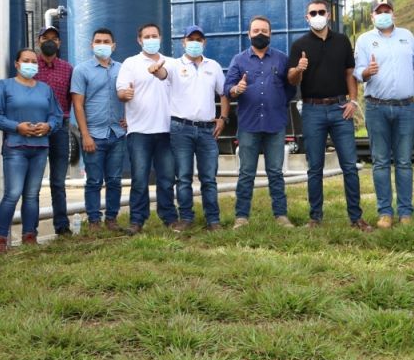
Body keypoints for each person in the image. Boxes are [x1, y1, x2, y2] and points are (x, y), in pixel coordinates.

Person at [288, 0, 370, 230]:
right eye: (312, 13)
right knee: (315, 167)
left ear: (329, 14)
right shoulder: (299, 45)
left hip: (339, 108)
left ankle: (356, 218)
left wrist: (353, 100)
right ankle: (315, 218)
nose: (317, 16)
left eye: (320, 12)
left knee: (349, 165)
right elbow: (291, 79)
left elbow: (350, 73)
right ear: (307, 18)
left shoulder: (342, 41)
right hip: (312, 110)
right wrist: (299, 68)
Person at [0, 48, 63, 252]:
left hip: (40, 148)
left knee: (32, 195)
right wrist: (16, 127)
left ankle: (30, 235)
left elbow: (57, 116)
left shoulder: (45, 89)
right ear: (17, 64)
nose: (31, 64)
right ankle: (1, 238)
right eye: (26, 60)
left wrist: (48, 126)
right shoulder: (5, 86)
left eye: (33, 61)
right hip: (16, 148)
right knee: (13, 193)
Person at [154, 25, 229, 231]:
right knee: (184, 177)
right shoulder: (174, 65)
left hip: (207, 130)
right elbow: (162, 74)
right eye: (191, 39)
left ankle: (213, 220)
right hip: (181, 129)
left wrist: (223, 118)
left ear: (203, 42)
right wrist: (155, 69)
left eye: (198, 39)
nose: (195, 43)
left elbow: (223, 94)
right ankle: (186, 218)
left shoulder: (213, 66)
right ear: (183, 42)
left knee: (209, 178)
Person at [225, 15, 296, 229]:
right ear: (248, 34)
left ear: (270, 34)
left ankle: (281, 216)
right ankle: (241, 217)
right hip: (248, 125)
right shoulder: (239, 60)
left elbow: (290, 88)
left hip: (275, 124)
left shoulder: (282, 59)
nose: (260, 34)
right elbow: (228, 88)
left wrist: (278, 102)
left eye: (264, 30)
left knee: (276, 172)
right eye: (255, 31)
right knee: (246, 173)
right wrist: (237, 89)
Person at [354, 0, 414, 228]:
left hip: (406, 106)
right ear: (372, 16)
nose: (383, 14)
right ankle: (385, 212)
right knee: (381, 162)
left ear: (393, 14)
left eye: (387, 11)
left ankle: (405, 212)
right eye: (378, 12)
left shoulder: (407, 36)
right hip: (376, 106)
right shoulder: (364, 40)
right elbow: (357, 72)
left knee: (404, 161)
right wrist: (367, 71)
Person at [116, 23, 178, 234]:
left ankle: (169, 217)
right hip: (139, 131)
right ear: (139, 40)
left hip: (167, 130)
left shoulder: (171, 63)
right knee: (140, 179)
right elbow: (121, 91)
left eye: (155, 36)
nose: (151, 39)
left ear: (160, 38)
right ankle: (137, 220)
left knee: (167, 178)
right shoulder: (130, 63)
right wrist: (125, 95)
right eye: (147, 36)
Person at [71, 28, 129, 236]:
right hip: (94, 134)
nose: (102, 44)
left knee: (114, 180)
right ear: (91, 45)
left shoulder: (122, 69)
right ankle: (94, 219)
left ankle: (111, 219)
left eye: (106, 41)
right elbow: (78, 105)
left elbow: (131, 96)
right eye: (98, 41)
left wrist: (128, 120)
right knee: (94, 180)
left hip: (117, 134)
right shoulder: (82, 70)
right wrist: (84, 135)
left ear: (113, 46)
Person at [35, 25, 74, 236]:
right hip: (35, 129)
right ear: (38, 41)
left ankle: (62, 226)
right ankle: (30, 228)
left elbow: (71, 100)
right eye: (45, 38)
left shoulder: (67, 69)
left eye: (54, 38)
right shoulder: (31, 65)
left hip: (60, 129)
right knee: (33, 181)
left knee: (58, 181)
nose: (50, 41)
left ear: (59, 43)